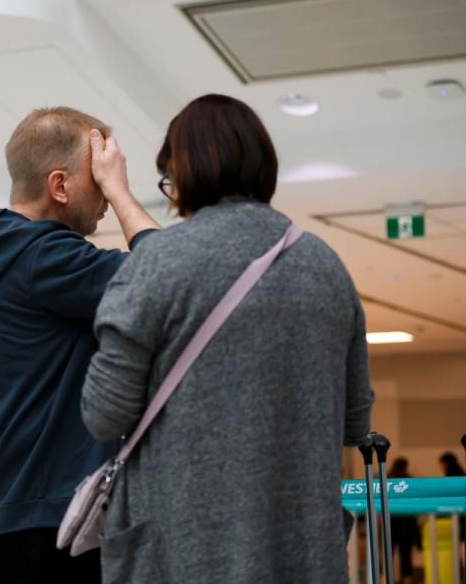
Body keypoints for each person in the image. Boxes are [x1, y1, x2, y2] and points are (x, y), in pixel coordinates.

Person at [81, 94, 375, 583]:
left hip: (182, 548)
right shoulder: (327, 267)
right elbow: (355, 420)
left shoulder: (158, 263)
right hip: (302, 551)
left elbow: (104, 413)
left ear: (184, 173)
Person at [0, 106, 161, 583]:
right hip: (59, 521)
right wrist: (122, 188)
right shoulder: (49, 256)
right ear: (60, 185)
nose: (106, 202)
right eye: (98, 181)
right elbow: (170, 275)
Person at [388, 458, 420, 584]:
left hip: (391, 520)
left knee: (388, 552)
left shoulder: (388, 479)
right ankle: (407, 580)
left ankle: (384, 578)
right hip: (407, 520)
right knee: (406, 554)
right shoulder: (409, 480)